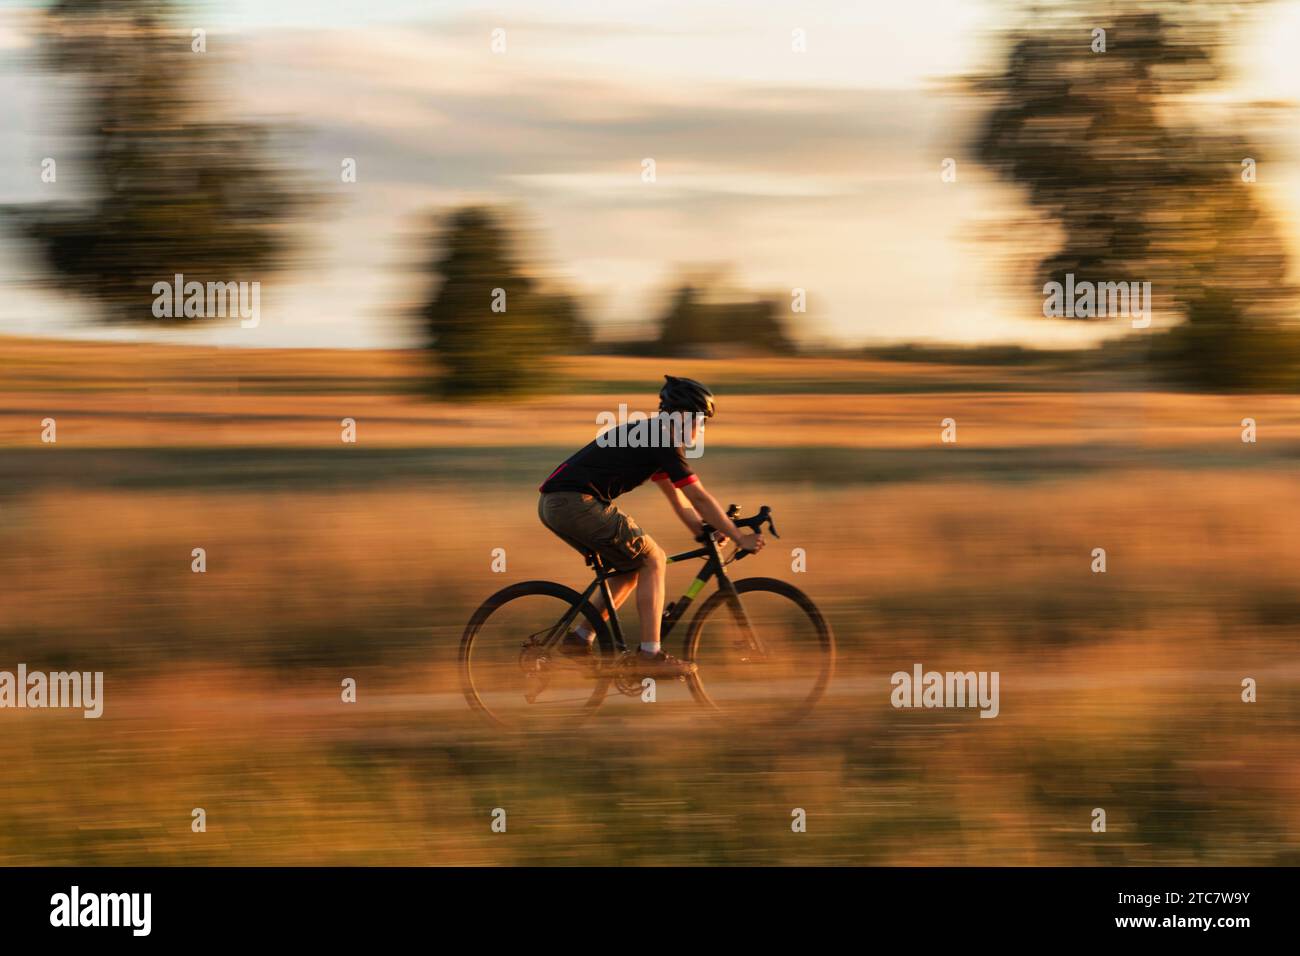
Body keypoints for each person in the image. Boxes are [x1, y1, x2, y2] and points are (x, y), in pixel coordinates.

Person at [537, 375, 765, 677]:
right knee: (653, 559)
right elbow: (697, 495)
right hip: (574, 503)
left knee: (630, 568)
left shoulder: (652, 435)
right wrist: (739, 537)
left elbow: (679, 500)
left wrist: (703, 531)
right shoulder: (662, 439)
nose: (702, 429)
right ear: (683, 416)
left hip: (557, 504)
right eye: (701, 421)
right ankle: (650, 655)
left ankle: (580, 640)